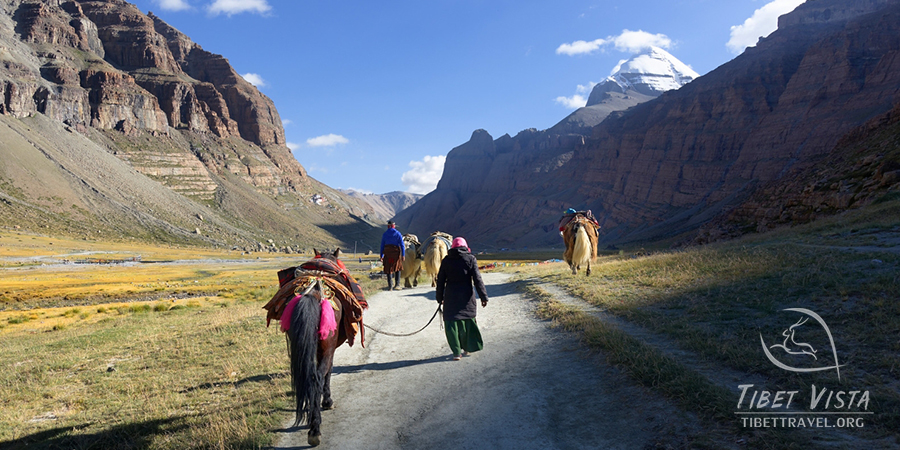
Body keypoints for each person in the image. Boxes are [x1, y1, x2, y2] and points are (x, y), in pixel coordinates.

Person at [435, 237, 488, 361]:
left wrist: (439, 298)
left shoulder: (446, 260)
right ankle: (467, 347)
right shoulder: (470, 259)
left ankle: (456, 353)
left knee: (452, 324)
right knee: (467, 321)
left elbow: (440, 281)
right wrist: (483, 297)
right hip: (467, 296)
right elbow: (477, 279)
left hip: (450, 296)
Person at [380, 220, 405, 290]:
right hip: (395, 253)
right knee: (397, 268)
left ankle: (390, 286)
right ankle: (397, 285)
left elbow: (382, 246)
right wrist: (403, 255)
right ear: (394, 225)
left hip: (387, 253)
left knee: (388, 268)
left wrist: (381, 256)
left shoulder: (385, 234)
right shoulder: (398, 234)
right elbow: (402, 245)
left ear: (388, 226)